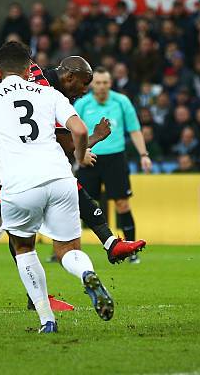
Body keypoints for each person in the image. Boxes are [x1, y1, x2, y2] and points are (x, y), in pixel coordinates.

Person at [0, 41, 114, 333]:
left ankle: (47, 320)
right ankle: (87, 272)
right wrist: (78, 156)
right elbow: (78, 130)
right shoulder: (49, 93)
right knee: (68, 249)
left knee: (24, 247)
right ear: (29, 69)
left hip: (19, 186)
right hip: (60, 180)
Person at [0, 55, 146, 309]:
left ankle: (111, 243)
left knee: (66, 183)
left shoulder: (35, 75)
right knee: (17, 228)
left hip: (15, 150)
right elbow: (70, 144)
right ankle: (36, 299)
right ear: (68, 77)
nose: (85, 92)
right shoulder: (45, 92)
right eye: (83, 85)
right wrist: (97, 136)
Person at [74, 67, 152, 264]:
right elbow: (73, 132)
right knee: (77, 206)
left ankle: (132, 251)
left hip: (116, 158)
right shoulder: (82, 103)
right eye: (98, 83)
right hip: (89, 158)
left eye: (105, 83)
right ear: (92, 84)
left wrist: (143, 154)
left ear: (110, 84)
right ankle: (70, 250)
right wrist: (77, 155)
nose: (101, 87)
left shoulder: (121, 101)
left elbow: (134, 130)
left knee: (122, 204)